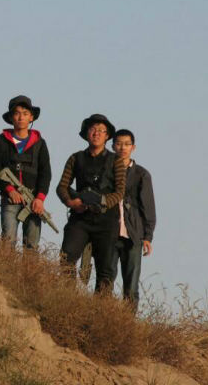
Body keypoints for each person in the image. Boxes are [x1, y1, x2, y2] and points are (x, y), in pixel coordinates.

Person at [56, 114, 125, 292]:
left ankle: (99, 311)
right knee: (66, 258)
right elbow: (62, 186)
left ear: (107, 136)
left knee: (106, 270)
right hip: (80, 218)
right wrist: (71, 202)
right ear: (86, 133)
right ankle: (67, 298)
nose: (97, 133)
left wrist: (102, 202)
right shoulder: (75, 158)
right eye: (93, 129)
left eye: (101, 130)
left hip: (106, 220)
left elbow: (119, 192)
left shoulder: (116, 160)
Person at [0, 96, 52, 250]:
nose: (21, 117)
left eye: (25, 113)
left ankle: (27, 274)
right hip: (9, 201)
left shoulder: (40, 143)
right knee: (8, 242)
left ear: (31, 117)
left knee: (31, 245)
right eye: (17, 113)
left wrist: (40, 198)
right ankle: (5, 273)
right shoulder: (1, 141)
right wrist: (10, 190)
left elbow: (46, 173)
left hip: (33, 202)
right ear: (11, 117)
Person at [110, 129, 157, 311]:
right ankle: (105, 318)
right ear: (113, 146)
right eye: (119, 143)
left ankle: (127, 323)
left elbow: (149, 207)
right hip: (109, 233)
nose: (123, 147)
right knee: (106, 279)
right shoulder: (107, 169)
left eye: (127, 144)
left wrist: (148, 236)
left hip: (133, 235)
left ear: (133, 147)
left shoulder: (141, 174)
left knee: (131, 285)